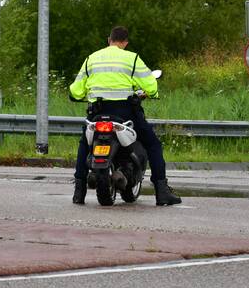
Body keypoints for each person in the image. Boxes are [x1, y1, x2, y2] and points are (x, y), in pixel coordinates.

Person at [68, 26, 181, 206]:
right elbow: (151, 86)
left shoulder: (92, 59)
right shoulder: (132, 58)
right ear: (125, 43)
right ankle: (162, 191)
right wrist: (150, 93)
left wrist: (82, 96)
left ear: (108, 40)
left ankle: (79, 191)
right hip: (124, 113)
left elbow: (75, 90)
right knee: (153, 144)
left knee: (84, 144)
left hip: (97, 113)